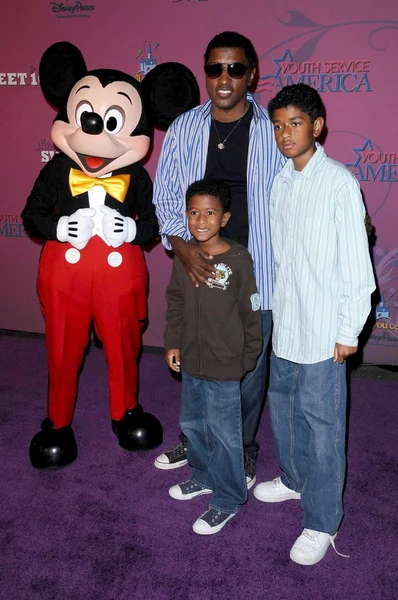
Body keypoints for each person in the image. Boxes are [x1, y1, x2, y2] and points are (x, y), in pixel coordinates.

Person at [153, 31, 285, 486]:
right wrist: (184, 250)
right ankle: (199, 441)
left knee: (247, 368)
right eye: (215, 68)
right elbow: (166, 198)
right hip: (196, 267)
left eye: (235, 69)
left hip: (256, 271)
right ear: (205, 71)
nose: (224, 78)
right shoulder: (184, 127)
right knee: (193, 360)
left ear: (252, 74)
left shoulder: (273, 129)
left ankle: (243, 449)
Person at [253, 83, 376, 565]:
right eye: (279, 125)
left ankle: (322, 520)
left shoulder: (340, 183)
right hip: (288, 322)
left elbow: (356, 267)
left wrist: (349, 330)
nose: (285, 134)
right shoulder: (279, 182)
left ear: (318, 126)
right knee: (283, 409)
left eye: (295, 124)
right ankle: (293, 478)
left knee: (323, 425)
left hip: (326, 330)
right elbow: (283, 260)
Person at [164, 178, 262, 534]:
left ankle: (228, 498)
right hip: (191, 359)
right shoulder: (186, 256)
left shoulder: (237, 259)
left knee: (225, 434)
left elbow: (251, 311)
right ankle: (203, 476)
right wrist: (173, 342)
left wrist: (248, 355)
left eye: (209, 213)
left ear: (225, 218)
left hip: (225, 364)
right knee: (193, 425)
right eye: (193, 212)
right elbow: (175, 301)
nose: (200, 220)